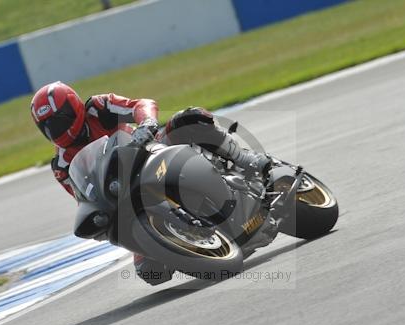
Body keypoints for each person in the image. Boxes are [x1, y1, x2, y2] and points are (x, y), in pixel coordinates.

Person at [30, 81, 269, 285]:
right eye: (47, 127)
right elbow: (84, 197)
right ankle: (198, 235)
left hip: (151, 150)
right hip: (124, 193)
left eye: (58, 121)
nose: (55, 131)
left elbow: (139, 104)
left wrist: (145, 123)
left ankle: (247, 160)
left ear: (73, 108)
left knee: (190, 119)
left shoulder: (98, 107)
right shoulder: (61, 165)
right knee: (151, 271)